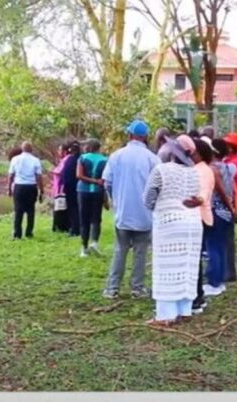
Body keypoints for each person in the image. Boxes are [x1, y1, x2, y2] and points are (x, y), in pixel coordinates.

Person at [143, 137, 202, 326]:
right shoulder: (194, 172)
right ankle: (184, 310)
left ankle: (165, 315)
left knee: (166, 268)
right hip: (193, 224)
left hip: (169, 223)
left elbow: (148, 198)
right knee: (187, 266)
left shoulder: (161, 170)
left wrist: (162, 207)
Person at [101, 120, 159, 299]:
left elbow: (107, 182)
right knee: (141, 252)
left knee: (120, 250)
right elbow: (157, 186)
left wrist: (115, 198)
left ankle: (112, 288)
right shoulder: (152, 158)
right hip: (144, 214)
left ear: (129, 135)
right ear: (145, 136)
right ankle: (137, 288)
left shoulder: (116, 156)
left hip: (123, 211)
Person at [201, 138, 237, 296]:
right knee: (220, 247)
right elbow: (232, 190)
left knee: (213, 247)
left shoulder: (212, 169)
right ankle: (220, 280)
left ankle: (214, 282)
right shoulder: (228, 167)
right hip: (226, 214)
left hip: (215, 211)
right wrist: (233, 209)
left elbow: (220, 191)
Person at [188, 137, 216, 314]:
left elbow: (203, 195)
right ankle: (197, 295)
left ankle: (197, 298)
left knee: (193, 259)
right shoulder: (197, 169)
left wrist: (191, 201)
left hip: (199, 218)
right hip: (196, 217)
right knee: (194, 258)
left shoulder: (203, 171)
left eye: (192, 152)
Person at [76, 138, 108, 256]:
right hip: (98, 192)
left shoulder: (82, 158)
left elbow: (79, 175)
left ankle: (84, 248)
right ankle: (94, 242)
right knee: (96, 219)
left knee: (84, 219)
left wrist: (92, 180)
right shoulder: (105, 160)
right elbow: (105, 179)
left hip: (83, 191)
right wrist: (105, 196)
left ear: (88, 147)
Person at [8, 141, 44, 239]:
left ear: (22, 149)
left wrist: (9, 188)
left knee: (18, 210)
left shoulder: (15, 159)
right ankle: (29, 232)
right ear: (31, 149)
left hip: (19, 186)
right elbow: (39, 177)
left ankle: (17, 233)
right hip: (31, 186)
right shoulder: (35, 160)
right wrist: (41, 190)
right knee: (30, 210)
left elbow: (11, 175)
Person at [222, 132, 237, 282]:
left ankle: (229, 272)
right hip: (232, 202)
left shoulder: (232, 164)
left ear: (231, 148)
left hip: (231, 203)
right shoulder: (231, 160)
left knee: (227, 239)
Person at [60, 141, 81, 236]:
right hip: (77, 187)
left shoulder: (71, 160)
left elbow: (65, 175)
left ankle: (75, 229)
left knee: (73, 209)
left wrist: (63, 186)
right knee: (77, 208)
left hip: (71, 188)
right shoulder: (79, 159)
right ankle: (77, 227)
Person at [51, 144, 70, 233]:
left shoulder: (66, 160)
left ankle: (61, 227)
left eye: (60, 150)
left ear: (65, 151)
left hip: (61, 188)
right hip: (58, 188)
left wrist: (53, 170)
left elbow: (59, 171)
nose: (58, 152)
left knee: (60, 208)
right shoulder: (63, 160)